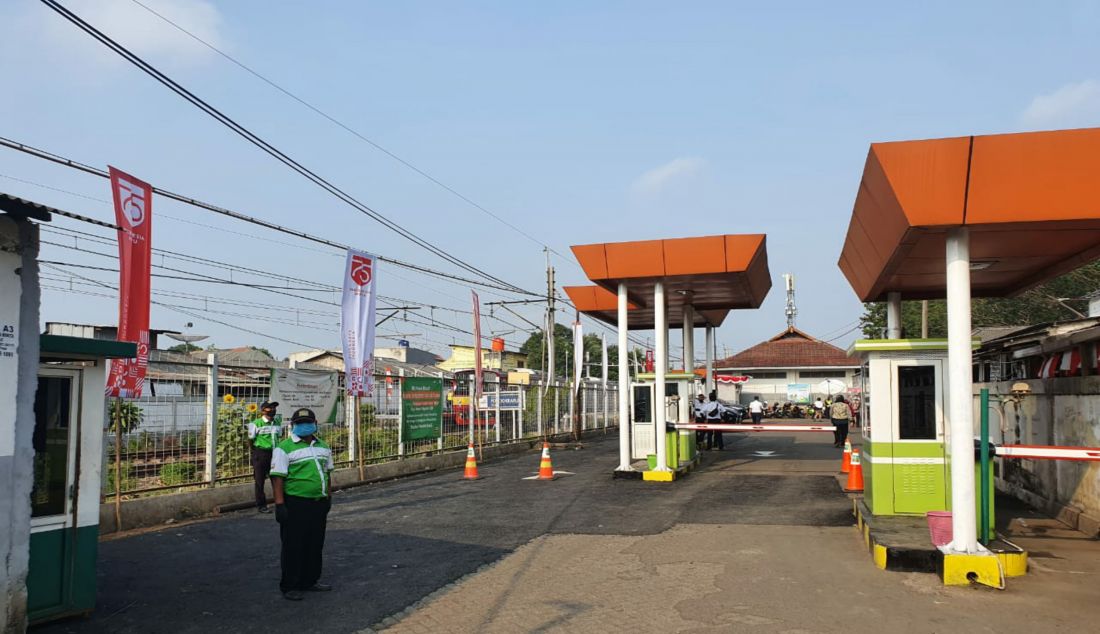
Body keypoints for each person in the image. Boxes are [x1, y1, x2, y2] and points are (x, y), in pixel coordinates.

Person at [272, 408, 334, 600]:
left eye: (308, 422)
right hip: (296, 503)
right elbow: (277, 478)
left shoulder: (323, 446)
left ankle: (310, 580)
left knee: (315, 544)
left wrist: (328, 498)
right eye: (299, 423)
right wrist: (280, 504)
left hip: (318, 503)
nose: (304, 426)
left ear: (315, 424)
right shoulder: (284, 448)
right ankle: (290, 585)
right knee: (293, 545)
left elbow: (327, 473)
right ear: (293, 426)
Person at [247, 401, 282, 513]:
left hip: (275, 453)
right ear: (262, 411)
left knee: (277, 479)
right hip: (261, 453)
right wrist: (256, 452)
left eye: (274, 408)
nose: (272, 410)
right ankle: (261, 505)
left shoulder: (277, 422)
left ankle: (280, 503)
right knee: (259, 481)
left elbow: (279, 436)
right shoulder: (256, 423)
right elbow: (250, 440)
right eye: (269, 408)